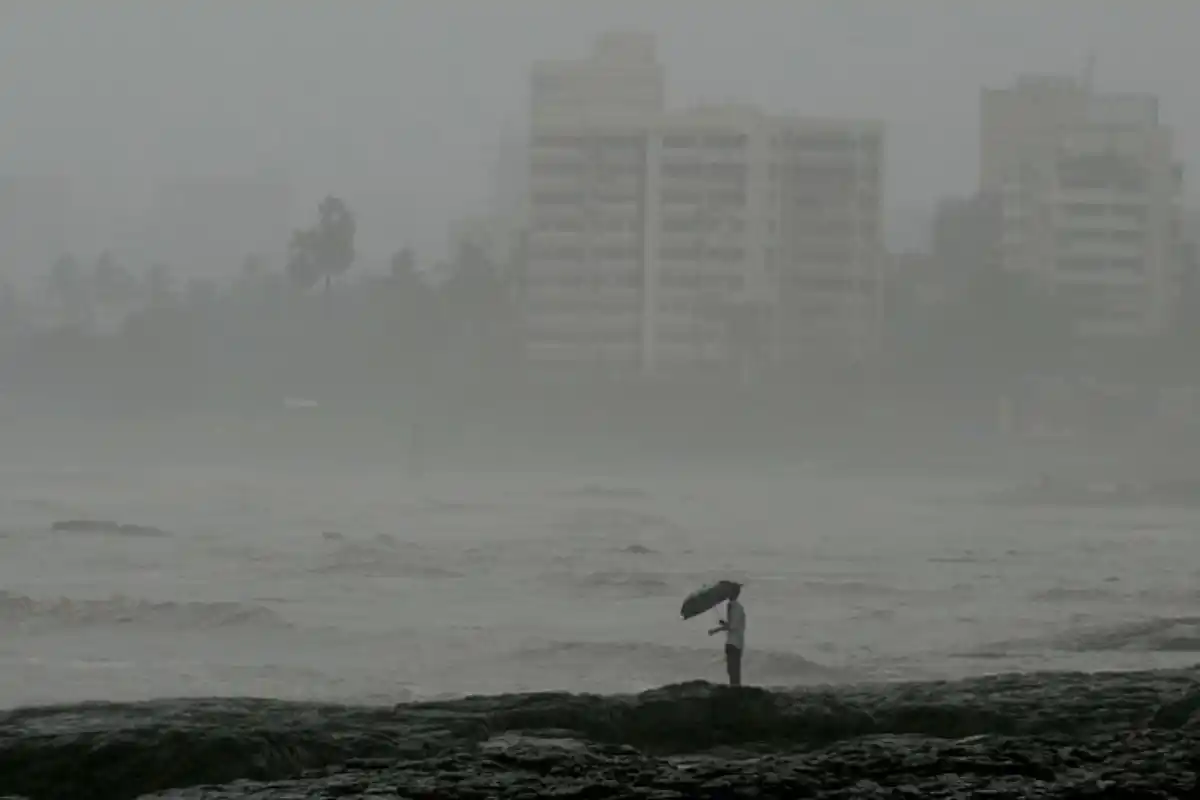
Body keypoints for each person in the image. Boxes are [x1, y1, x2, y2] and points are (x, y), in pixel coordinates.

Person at [708, 583, 745, 686]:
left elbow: (732, 626)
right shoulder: (734, 607)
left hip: (734, 643)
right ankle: (735, 689)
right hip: (734, 642)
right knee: (732, 670)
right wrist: (724, 624)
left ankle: (735, 690)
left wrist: (716, 630)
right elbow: (734, 625)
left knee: (733, 671)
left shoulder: (735, 607)